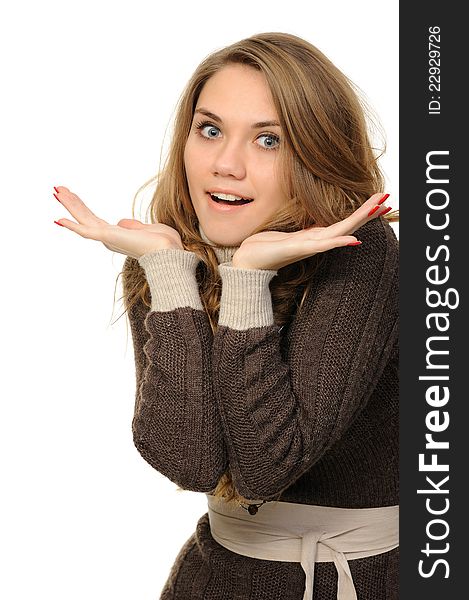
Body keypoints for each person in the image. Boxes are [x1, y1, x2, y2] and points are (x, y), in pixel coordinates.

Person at [53, 32, 399, 600]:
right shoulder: (165, 254)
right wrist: (169, 275)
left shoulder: (362, 252)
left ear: (315, 154)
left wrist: (247, 283)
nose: (226, 165)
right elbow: (190, 462)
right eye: (209, 130)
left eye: (268, 141)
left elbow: (266, 470)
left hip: (355, 583)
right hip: (215, 580)